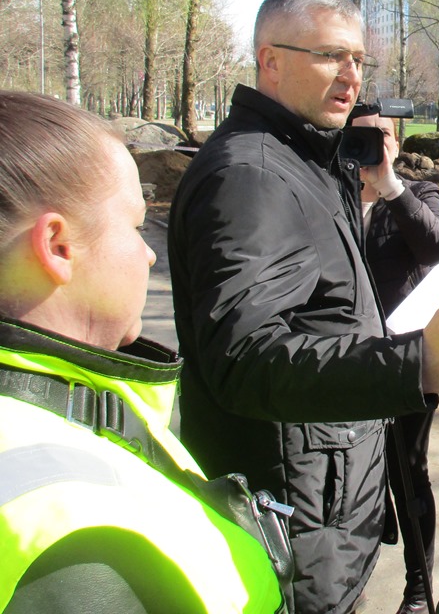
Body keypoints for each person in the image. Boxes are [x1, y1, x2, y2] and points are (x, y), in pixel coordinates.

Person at [167, 0, 439, 614]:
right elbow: (243, 358)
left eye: (359, 61)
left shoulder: (307, 161)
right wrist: (415, 365)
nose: (350, 76)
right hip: (290, 530)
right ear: (271, 61)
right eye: (330, 57)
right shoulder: (253, 175)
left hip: (324, 515)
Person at [0, 91, 284, 613]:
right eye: (134, 226)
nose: (150, 252)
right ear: (59, 246)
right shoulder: (77, 542)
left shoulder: (73, 413)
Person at [353, 112, 439, 614]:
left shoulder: (418, 192)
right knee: (350, 472)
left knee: (408, 471)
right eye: (363, 135)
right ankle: (351, 575)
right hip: (343, 359)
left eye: (383, 135)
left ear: (396, 142)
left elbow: (438, 245)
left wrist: (390, 185)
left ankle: (418, 588)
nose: (375, 144)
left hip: (405, 357)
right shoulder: (332, 195)